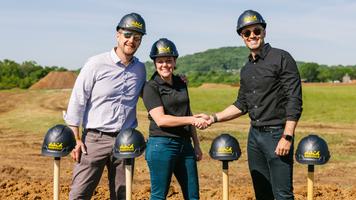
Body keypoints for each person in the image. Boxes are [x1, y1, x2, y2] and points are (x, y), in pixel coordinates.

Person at [197, 10, 303, 200]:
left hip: (277, 134)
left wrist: (287, 135)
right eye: (246, 33)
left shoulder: (281, 58)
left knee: (283, 194)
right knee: (262, 192)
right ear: (242, 37)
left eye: (256, 30)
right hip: (254, 137)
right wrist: (213, 118)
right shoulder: (247, 69)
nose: (252, 35)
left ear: (264, 32)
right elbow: (242, 104)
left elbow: (294, 99)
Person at [64, 13, 146, 200]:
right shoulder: (96, 63)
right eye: (127, 35)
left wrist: (175, 81)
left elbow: (151, 92)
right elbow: (77, 100)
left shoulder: (140, 69)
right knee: (79, 194)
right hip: (94, 140)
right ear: (118, 34)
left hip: (126, 141)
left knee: (122, 196)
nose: (131, 40)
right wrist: (76, 138)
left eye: (137, 37)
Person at [142, 38, 208, 200]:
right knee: (159, 196)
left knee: (193, 196)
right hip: (161, 145)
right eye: (160, 61)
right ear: (155, 63)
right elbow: (161, 120)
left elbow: (188, 111)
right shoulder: (151, 87)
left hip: (185, 146)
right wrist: (192, 120)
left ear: (175, 61)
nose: (165, 65)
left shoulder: (181, 82)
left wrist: (196, 145)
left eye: (169, 60)